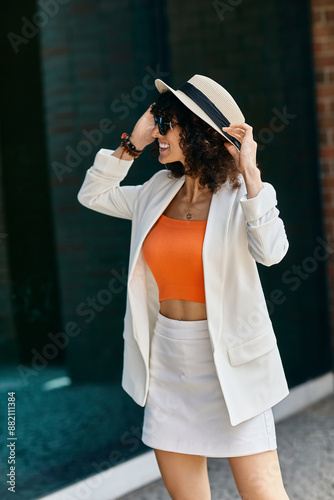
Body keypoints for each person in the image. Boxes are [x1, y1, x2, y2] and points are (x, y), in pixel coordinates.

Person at [77, 75, 290, 500]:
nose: (159, 130)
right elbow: (93, 194)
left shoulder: (240, 196)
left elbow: (273, 252)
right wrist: (130, 145)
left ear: (198, 132)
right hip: (169, 363)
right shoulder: (156, 190)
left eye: (169, 122)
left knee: (264, 495)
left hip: (232, 367)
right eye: (159, 119)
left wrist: (250, 172)